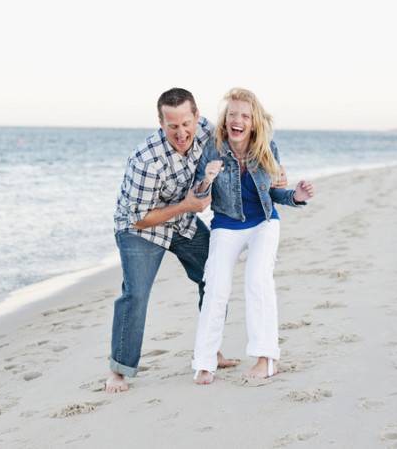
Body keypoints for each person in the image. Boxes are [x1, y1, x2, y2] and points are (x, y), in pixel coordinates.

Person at [106, 88, 287, 393]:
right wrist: (187, 206)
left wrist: (278, 176)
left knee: (213, 275)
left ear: (197, 117)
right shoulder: (145, 160)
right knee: (135, 294)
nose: (181, 132)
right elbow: (138, 217)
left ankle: (211, 352)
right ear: (161, 123)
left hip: (183, 222)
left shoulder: (208, 131)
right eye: (172, 126)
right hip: (142, 228)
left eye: (186, 124)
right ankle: (119, 371)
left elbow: (250, 142)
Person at [192, 88, 314, 384]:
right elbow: (198, 195)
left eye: (244, 116)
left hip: (263, 222)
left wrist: (295, 197)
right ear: (225, 119)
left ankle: (267, 359)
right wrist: (207, 179)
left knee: (257, 280)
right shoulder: (213, 147)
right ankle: (204, 363)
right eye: (232, 114)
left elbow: (273, 191)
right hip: (226, 222)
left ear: (254, 121)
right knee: (216, 286)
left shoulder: (266, 147)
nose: (237, 120)